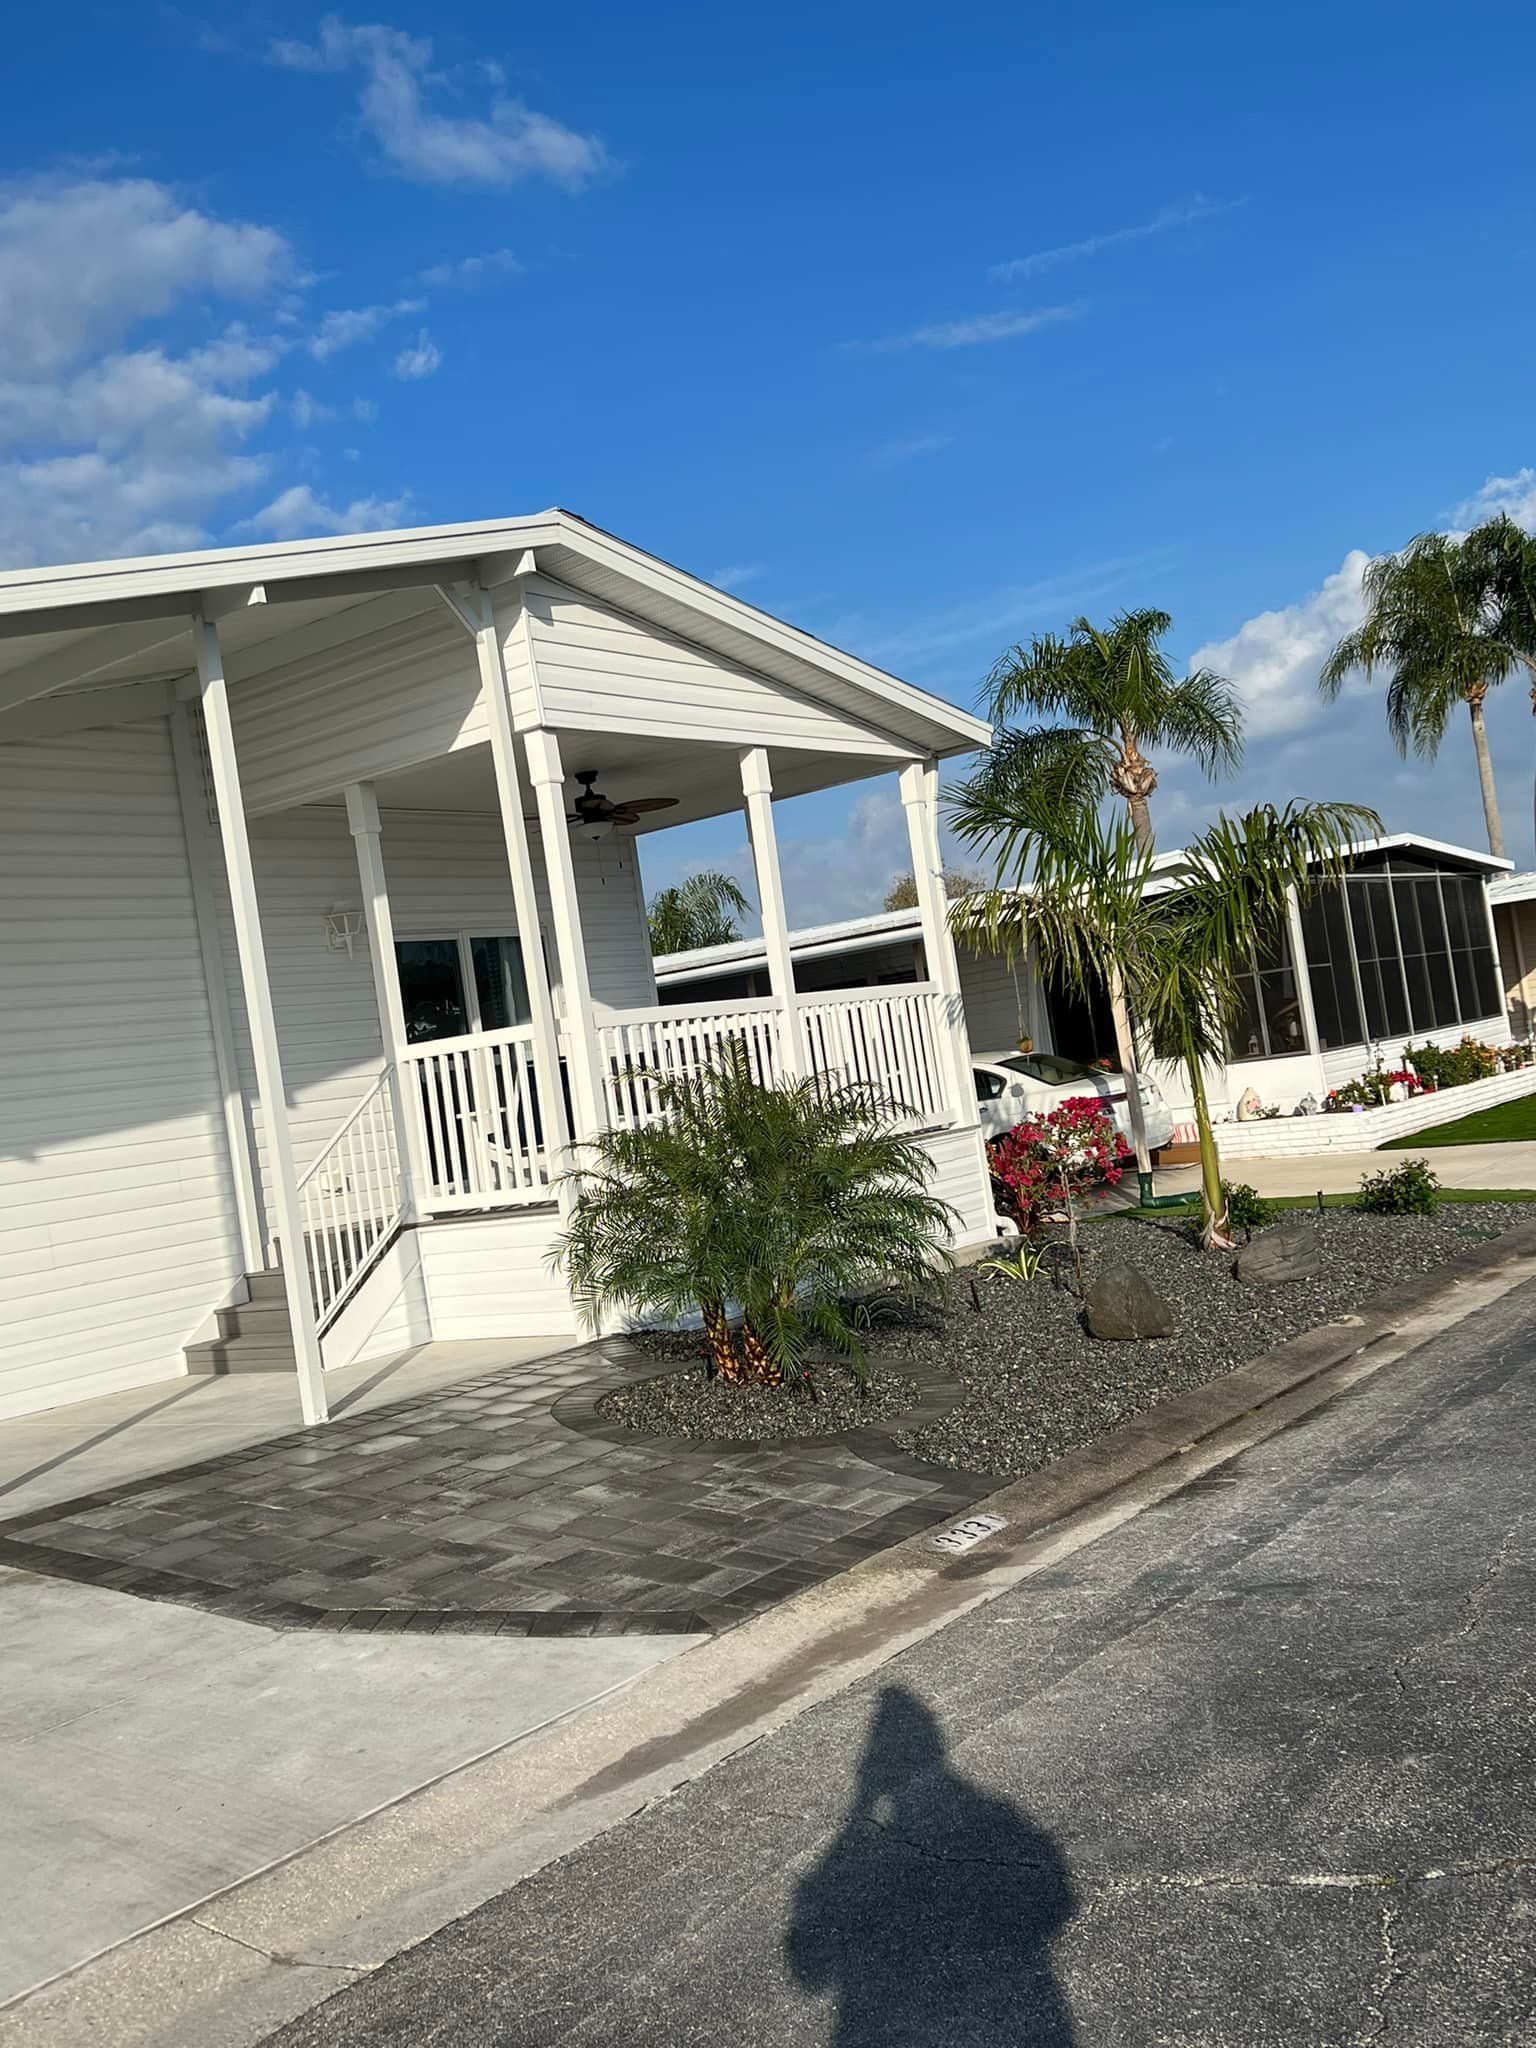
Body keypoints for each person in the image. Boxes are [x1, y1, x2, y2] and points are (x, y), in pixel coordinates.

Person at [787, 1685, 1078, 2045]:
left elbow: (808, 1973)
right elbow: (1060, 1902)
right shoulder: (997, 1813)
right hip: (1025, 1999)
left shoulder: (986, 1815)